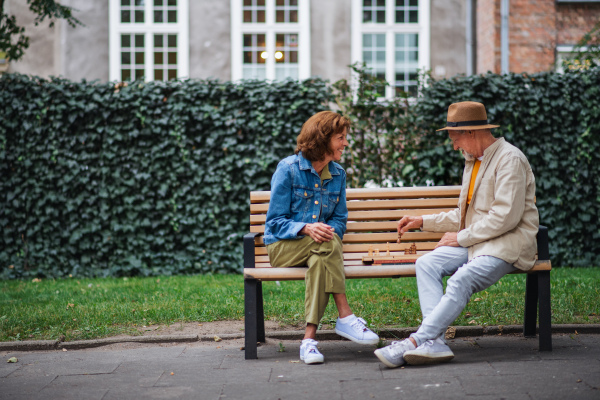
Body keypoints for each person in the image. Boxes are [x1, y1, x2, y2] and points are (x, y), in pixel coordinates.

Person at [374, 101, 539, 368]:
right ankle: (436, 343)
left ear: (472, 132)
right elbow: (465, 215)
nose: (454, 145)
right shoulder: (474, 161)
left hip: (507, 244)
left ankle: (416, 341)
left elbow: (505, 217)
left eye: (455, 138)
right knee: (427, 263)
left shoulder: (510, 159)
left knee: (460, 280)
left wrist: (460, 238)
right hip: (480, 241)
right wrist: (422, 221)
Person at [264, 110, 379, 365]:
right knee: (325, 244)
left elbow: (339, 220)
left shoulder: (337, 174)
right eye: (341, 137)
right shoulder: (288, 169)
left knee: (320, 257)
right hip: (283, 247)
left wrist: (327, 232)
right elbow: (274, 223)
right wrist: (306, 228)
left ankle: (308, 341)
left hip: (319, 249)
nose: (345, 143)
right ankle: (346, 315)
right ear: (323, 138)